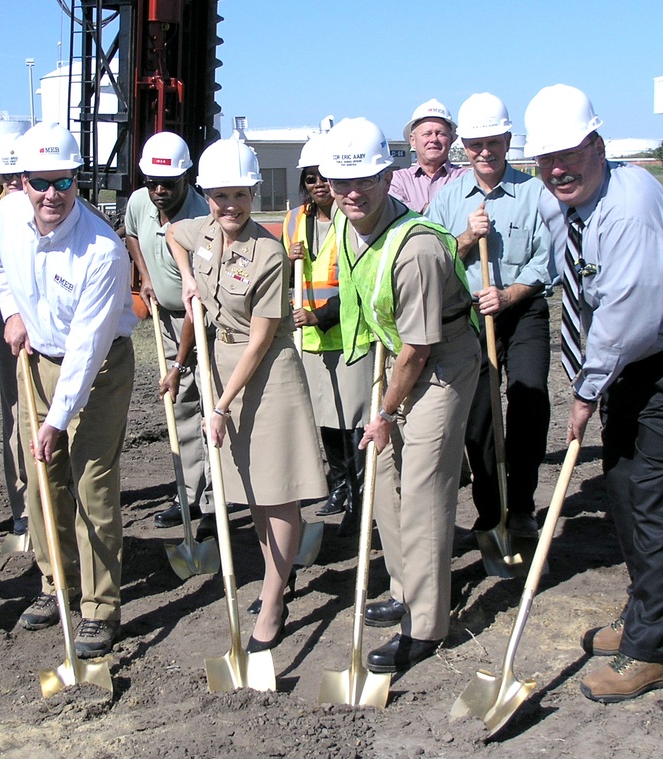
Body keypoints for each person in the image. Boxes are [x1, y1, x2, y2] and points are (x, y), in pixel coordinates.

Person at [524, 84, 663, 702]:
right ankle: (649, 609)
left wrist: (586, 391)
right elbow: (570, 279)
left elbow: (630, 314)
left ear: (597, 145)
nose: (557, 169)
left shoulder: (630, 207)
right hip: (636, 361)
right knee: (623, 484)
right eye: (545, 159)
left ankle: (655, 649)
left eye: (568, 153)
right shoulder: (561, 202)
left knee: (661, 498)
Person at [320, 118, 480, 673]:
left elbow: (419, 349)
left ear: (388, 177)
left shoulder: (417, 250)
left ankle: (427, 623)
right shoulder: (344, 226)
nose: (352, 193)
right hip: (396, 358)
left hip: (442, 361)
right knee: (382, 482)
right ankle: (402, 583)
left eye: (364, 180)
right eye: (341, 184)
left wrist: (385, 410)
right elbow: (363, 300)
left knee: (424, 486)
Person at [0, 121, 138, 658]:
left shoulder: (102, 249)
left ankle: (99, 606)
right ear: (21, 181)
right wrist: (11, 312)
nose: (51, 194)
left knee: (91, 480)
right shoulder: (5, 218)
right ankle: (55, 583)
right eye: (39, 181)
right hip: (37, 360)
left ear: (79, 181)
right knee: (40, 478)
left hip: (99, 370)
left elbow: (89, 348)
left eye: (63, 182)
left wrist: (56, 419)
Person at [166, 138, 327, 652]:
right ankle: (275, 574)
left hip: (266, 375)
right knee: (252, 490)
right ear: (206, 196)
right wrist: (189, 278)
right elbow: (173, 233)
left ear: (254, 192)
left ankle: (276, 596)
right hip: (223, 366)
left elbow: (261, 341)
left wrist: (219, 405)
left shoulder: (269, 251)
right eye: (219, 196)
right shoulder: (205, 232)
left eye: (239, 195)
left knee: (278, 491)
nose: (229, 206)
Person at [425, 93, 553, 540]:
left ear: (507, 140)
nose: (484, 151)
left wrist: (509, 293)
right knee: (478, 417)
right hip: (470, 318)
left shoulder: (535, 193)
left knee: (529, 399)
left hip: (522, 312)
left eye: (493, 142)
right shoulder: (446, 200)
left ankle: (521, 506)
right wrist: (465, 236)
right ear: (464, 143)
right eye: (476, 143)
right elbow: (433, 260)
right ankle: (489, 512)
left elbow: (546, 260)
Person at [124, 131, 215, 539]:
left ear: (187, 178)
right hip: (165, 318)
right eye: (152, 182)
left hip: (203, 320)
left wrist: (180, 361)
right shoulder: (140, 202)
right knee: (179, 406)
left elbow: (199, 300)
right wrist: (144, 276)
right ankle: (187, 494)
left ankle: (216, 500)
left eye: (169, 183)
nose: (159, 191)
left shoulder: (201, 220)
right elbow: (130, 233)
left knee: (210, 406)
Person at [283, 134, 372, 537]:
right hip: (313, 342)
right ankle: (338, 486)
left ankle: (360, 496)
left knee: (353, 421)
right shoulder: (294, 222)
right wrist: (290, 263)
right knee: (326, 420)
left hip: (349, 334)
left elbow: (358, 283)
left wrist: (319, 316)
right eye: (310, 178)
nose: (317, 185)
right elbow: (290, 280)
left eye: (323, 177)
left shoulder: (352, 219)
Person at [0, 136, 29, 538]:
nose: (15, 183)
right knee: (18, 414)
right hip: (13, 327)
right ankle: (24, 506)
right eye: (8, 178)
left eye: (21, 176)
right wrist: (14, 313)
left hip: (54, 330)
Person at [388, 99, 469, 213]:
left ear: (451, 139)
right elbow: (393, 209)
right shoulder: (397, 180)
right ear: (413, 140)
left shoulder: (466, 178)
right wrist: (446, 210)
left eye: (440, 133)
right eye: (427, 134)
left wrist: (416, 208)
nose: (434, 139)